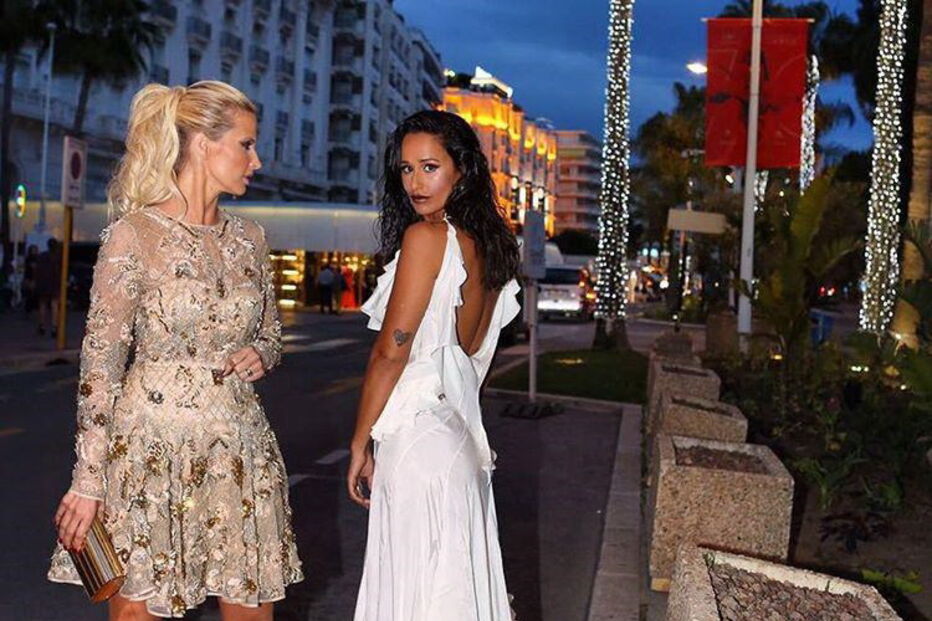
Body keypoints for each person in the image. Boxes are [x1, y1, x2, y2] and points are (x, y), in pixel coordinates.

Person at [48, 81, 303, 620]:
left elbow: (272, 334)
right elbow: (100, 367)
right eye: (246, 144)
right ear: (203, 146)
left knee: (252, 608)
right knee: (139, 613)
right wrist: (89, 480)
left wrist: (262, 352)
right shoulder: (133, 235)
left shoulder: (250, 239)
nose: (257, 160)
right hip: (148, 453)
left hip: (238, 447)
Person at [348, 110, 521, 620]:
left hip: (420, 444)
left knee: (416, 598)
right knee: (451, 596)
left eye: (429, 167)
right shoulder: (490, 245)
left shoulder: (428, 238)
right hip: (457, 439)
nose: (415, 182)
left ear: (461, 170)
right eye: (405, 169)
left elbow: (390, 353)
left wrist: (361, 442)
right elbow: (473, 363)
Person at [35, 238, 62, 335]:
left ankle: (42, 325)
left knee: (43, 304)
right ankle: (54, 326)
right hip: (54, 283)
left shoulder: (42, 256)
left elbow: (37, 271)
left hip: (43, 283)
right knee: (54, 304)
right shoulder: (57, 257)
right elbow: (58, 272)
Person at [23, 244, 39, 314]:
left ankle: (31, 307)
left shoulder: (36, 258)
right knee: (30, 293)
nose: (35, 252)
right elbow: (31, 268)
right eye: (33, 250)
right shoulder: (29, 259)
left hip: (33, 277)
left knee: (32, 293)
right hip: (30, 277)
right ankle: (28, 308)